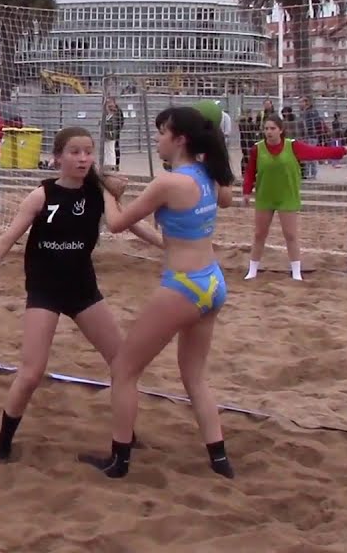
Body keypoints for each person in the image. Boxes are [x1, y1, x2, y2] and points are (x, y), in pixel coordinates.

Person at [0, 127, 163, 461]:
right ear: (58, 157)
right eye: (74, 152)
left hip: (83, 290)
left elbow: (133, 224)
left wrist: (168, 245)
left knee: (123, 364)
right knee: (32, 372)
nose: (82, 158)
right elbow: (6, 240)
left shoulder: (98, 192)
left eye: (87, 152)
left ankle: (126, 435)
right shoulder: (41, 195)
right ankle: (4, 441)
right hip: (45, 290)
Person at [80, 106, 237, 480]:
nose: (156, 139)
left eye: (161, 133)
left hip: (183, 285)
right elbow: (225, 198)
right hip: (213, 282)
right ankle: (220, 461)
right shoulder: (209, 175)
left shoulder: (169, 183)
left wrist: (107, 190)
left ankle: (119, 460)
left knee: (124, 369)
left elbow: (116, 223)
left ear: (179, 139)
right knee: (194, 377)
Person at [242, 115, 347, 281]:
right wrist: (246, 191)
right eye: (266, 128)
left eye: (272, 128)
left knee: (290, 235)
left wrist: (342, 151)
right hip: (265, 196)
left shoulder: (292, 146)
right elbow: (250, 171)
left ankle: (296, 272)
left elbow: (317, 152)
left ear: (281, 130)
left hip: (287, 196)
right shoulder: (258, 148)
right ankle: (252, 270)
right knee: (259, 234)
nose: (269, 132)